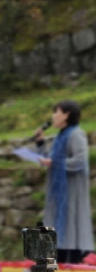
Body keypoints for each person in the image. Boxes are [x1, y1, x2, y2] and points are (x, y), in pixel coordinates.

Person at [35, 100, 94, 263]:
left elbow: (80, 161)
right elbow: (49, 160)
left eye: (57, 112)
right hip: (58, 191)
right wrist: (40, 143)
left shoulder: (76, 135)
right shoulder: (60, 136)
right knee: (56, 229)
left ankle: (73, 262)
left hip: (71, 191)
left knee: (71, 227)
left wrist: (55, 163)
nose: (54, 116)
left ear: (67, 114)